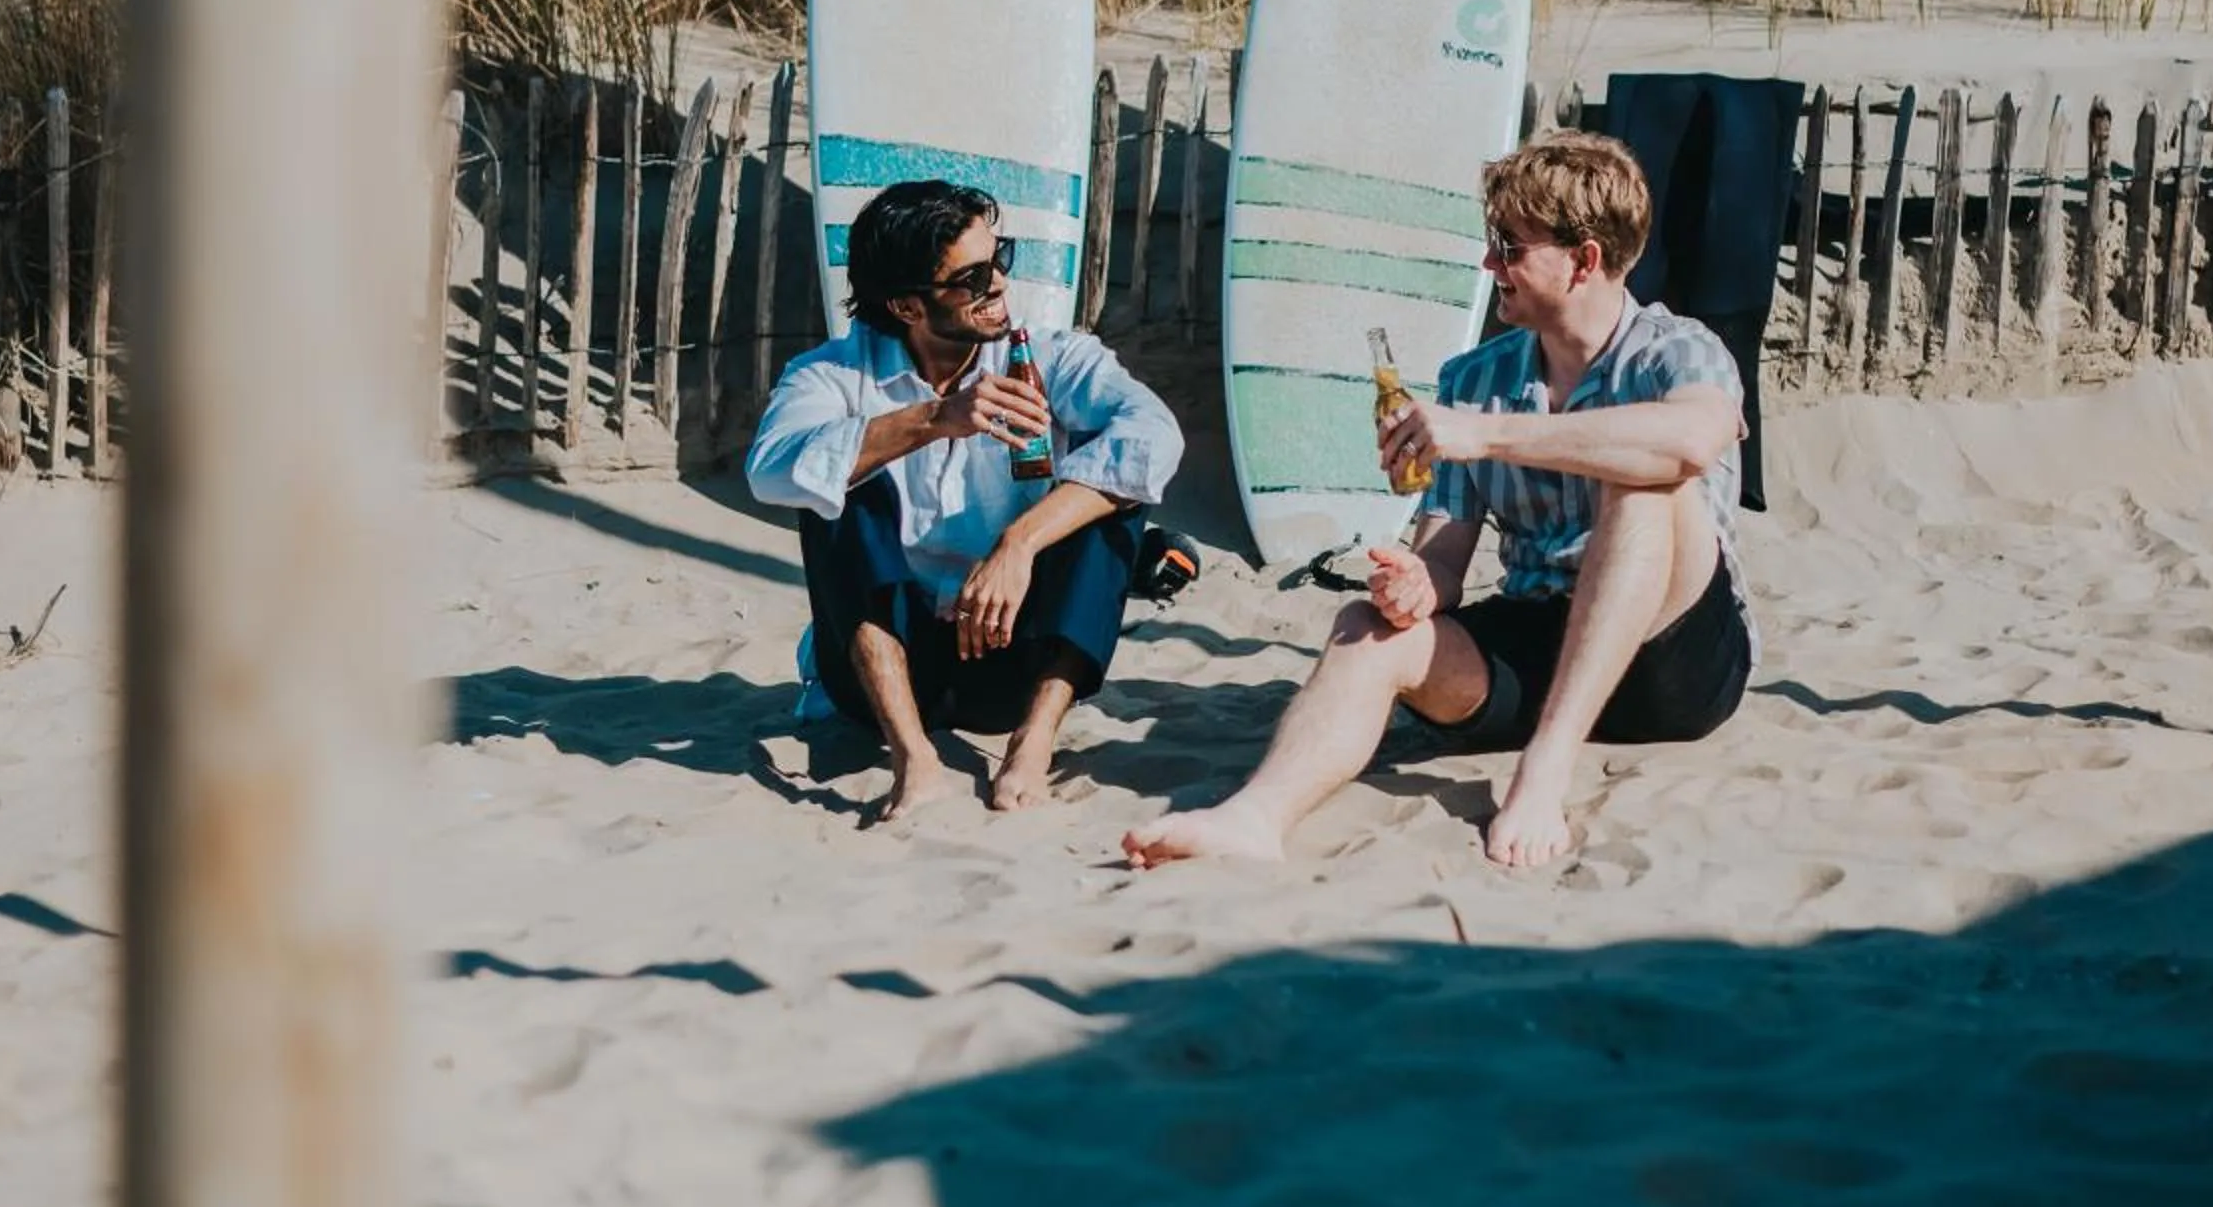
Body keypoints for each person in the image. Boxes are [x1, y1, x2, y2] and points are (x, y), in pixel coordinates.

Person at [1125, 129, 1752, 871]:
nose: (1492, 266)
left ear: (1584, 260)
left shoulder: (1678, 351)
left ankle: (1545, 769)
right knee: (1366, 628)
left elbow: (1688, 442)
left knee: (1641, 475)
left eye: (1511, 248)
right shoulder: (1475, 377)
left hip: (1673, 655)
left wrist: (1488, 437)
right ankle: (1255, 817)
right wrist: (1417, 583)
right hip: (1540, 635)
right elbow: (1447, 555)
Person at [747, 179, 1182, 822]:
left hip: (1012, 652)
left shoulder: (1048, 355)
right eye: (972, 278)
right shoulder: (833, 373)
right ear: (906, 305)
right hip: (883, 670)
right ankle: (915, 759)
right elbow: (769, 469)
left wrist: (1020, 542)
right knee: (835, 486)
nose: (1000, 285)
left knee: (1112, 498)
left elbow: (1154, 437)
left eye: (999, 259)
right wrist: (929, 421)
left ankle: (1031, 747)